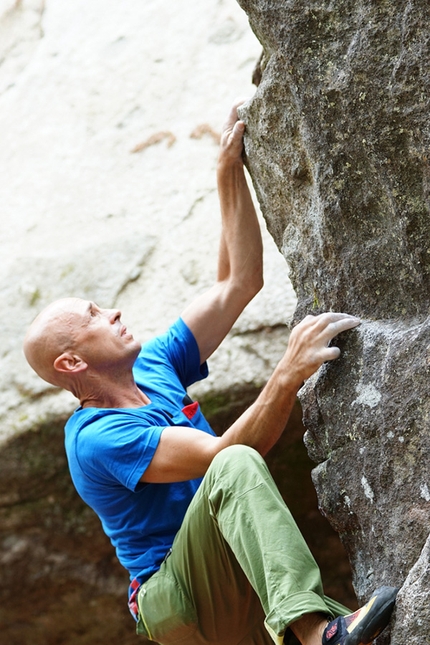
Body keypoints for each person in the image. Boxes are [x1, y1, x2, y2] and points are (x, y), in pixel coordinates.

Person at [23, 101, 397, 645]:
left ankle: (321, 630)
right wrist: (286, 373)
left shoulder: (152, 365)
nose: (115, 313)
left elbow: (237, 282)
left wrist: (228, 172)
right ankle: (319, 636)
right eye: (94, 317)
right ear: (71, 362)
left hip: (233, 572)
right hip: (181, 604)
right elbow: (228, 459)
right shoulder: (96, 440)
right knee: (236, 462)